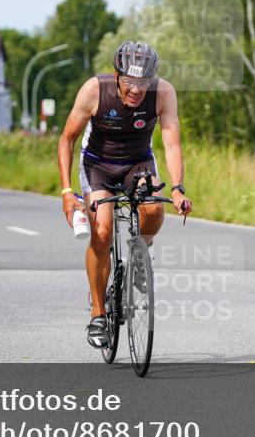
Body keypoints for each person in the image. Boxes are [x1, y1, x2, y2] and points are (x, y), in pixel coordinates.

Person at [57, 41, 192, 347]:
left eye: (142, 82)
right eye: (129, 82)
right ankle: (97, 314)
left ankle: (141, 253)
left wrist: (178, 187)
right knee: (102, 232)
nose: (136, 90)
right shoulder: (94, 90)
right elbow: (67, 140)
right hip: (97, 166)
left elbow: (172, 143)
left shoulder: (164, 92)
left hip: (138, 162)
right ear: (117, 76)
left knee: (155, 209)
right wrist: (67, 191)